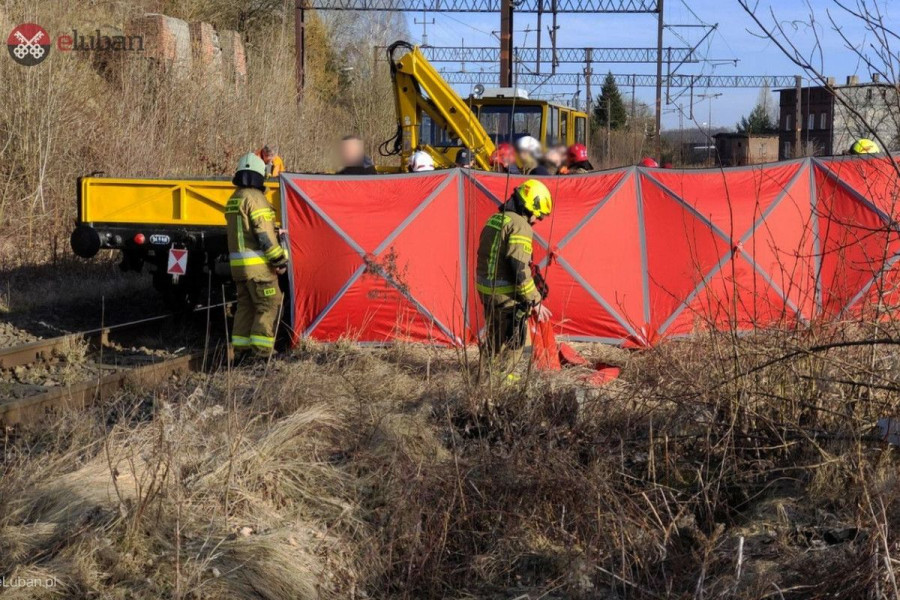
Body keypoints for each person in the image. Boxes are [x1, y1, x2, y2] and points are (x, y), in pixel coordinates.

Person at [475, 179, 553, 381]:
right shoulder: (520, 226)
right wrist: (534, 301)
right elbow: (519, 268)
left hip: (486, 290)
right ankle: (502, 382)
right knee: (515, 342)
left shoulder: (495, 218)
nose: (537, 220)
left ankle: (484, 377)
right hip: (505, 296)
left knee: (494, 336)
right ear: (530, 206)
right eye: (538, 215)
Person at [225, 153, 289, 361]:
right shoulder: (256, 199)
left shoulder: (235, 198)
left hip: (239, 269)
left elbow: (245, 232)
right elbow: (263, 235)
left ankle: (241, 353)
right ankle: (262, 355)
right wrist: (279, 260)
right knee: (270, 304)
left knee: (245, 307)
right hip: (259, 269)